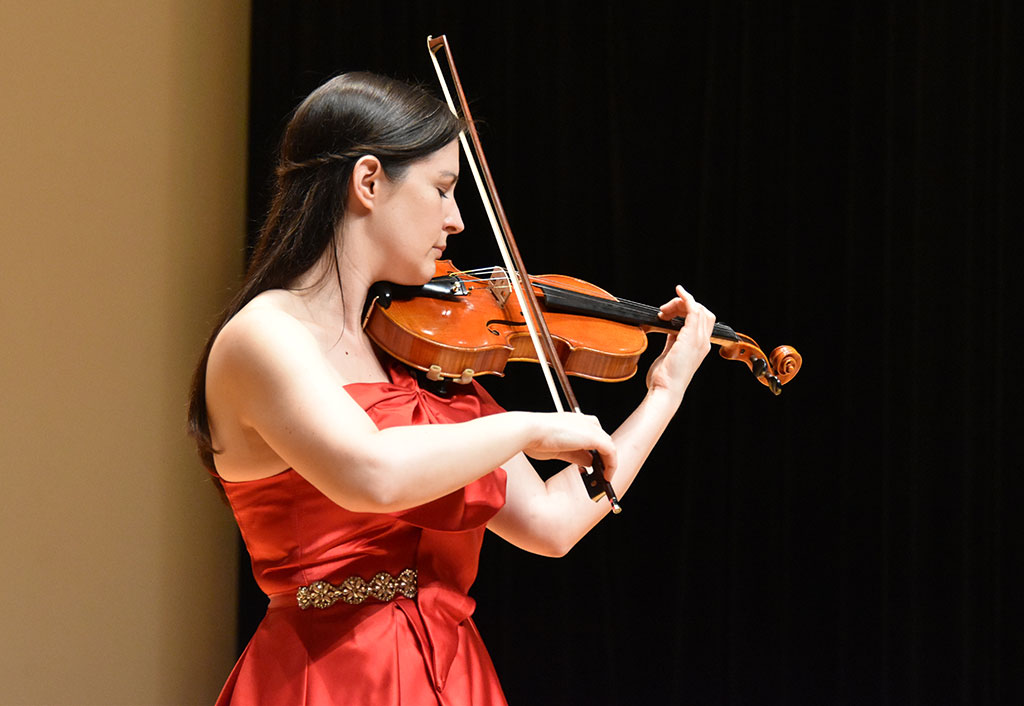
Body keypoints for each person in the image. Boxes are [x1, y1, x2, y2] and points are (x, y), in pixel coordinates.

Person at [188, 71, 716, 706]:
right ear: (369, 181)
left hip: (452, 673)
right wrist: (525, 427)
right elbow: (373, 477)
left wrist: (665, 392)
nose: (458, 219)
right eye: (441, 190)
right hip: (330, 677)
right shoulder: (266, 336)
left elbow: (552, 523)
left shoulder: (414, 355)